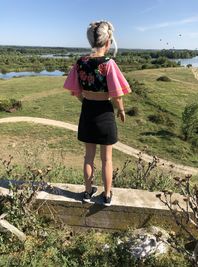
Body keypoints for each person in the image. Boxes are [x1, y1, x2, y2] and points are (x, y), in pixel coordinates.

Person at [63, 20, 131, 206]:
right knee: (107, 158)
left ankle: (87, 192)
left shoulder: (80, 63)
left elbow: (75, 91)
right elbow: (117, 95)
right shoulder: (109, 64)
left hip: (87, 111)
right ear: (108, 42)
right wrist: (121, 110)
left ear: (91, 41)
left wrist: (85, 101)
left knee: (88, 157)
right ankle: (107, 195)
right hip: (105, 113)